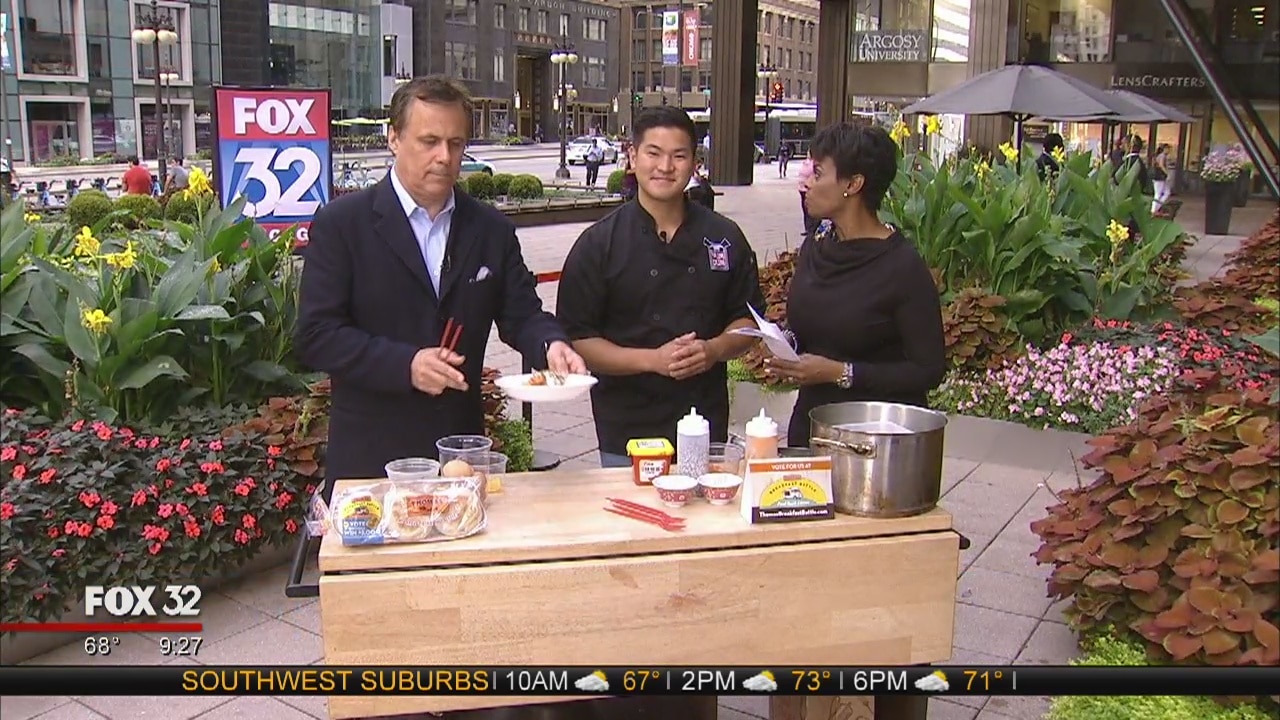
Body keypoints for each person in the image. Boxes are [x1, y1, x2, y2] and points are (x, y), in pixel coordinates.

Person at [294, 75, 586, 503]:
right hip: (370, 460)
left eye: (455, 143)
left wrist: (552, 345)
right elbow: (316, 335)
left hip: (457, 458)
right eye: (429, 141)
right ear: (394, 138)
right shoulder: (342, 225)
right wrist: (406, 364)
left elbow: (522, 313)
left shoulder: (490, 229)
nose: (444, 157)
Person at [557, 106, 766, 468]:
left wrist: (713, 349)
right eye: (653, 153)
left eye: (678, 156)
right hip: (625, 425)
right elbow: (577, 337)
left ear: (695, 163)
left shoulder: (724, 236)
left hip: (704, 419)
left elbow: (749, 320)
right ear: (632, 156)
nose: (665, 166)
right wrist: (652, 360)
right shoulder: (599, 243)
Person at [764, 121, 946, 448]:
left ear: (853, 183)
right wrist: (784, 344)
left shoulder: (902, 268)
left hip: (874, 443)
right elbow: (811, 326)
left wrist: (841, 372)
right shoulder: (817, 246)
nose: (806, 183)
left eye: (818, 173)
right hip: (810, 429)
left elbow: (928, 369)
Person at [797, 154, 818, 239]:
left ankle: (812, 229)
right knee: (805, 210)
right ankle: (808, 228)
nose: (807, 153)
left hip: (808, 190)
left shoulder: (815, 163)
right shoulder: (805, 162)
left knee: (810, 210)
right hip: (801, 190)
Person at [1151, 143, 1172, 213]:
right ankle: (1154, 209)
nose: (1169, 151)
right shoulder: (1162, 156)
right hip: (1159, 177)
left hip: (1159, 177)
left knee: (1165, 192)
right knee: (1158, 193)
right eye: (1168, 149)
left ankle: (1157, 207)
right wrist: (1167, 173)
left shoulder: (1160, 156)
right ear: (1164, 149)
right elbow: (1161, 165)